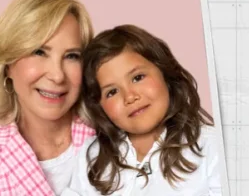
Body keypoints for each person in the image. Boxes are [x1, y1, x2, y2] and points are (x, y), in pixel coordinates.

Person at [66, 25, 223, 196]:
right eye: (112, 92)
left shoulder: (212, 147)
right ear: (99, 105)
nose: (130, 97)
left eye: (137, 78)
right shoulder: (92, 157)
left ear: (165, 73)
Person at [0, 0, 96, 195]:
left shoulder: (115, 139)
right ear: (8, 65)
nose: (57, 75)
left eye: (72, 56)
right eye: (39, 52)